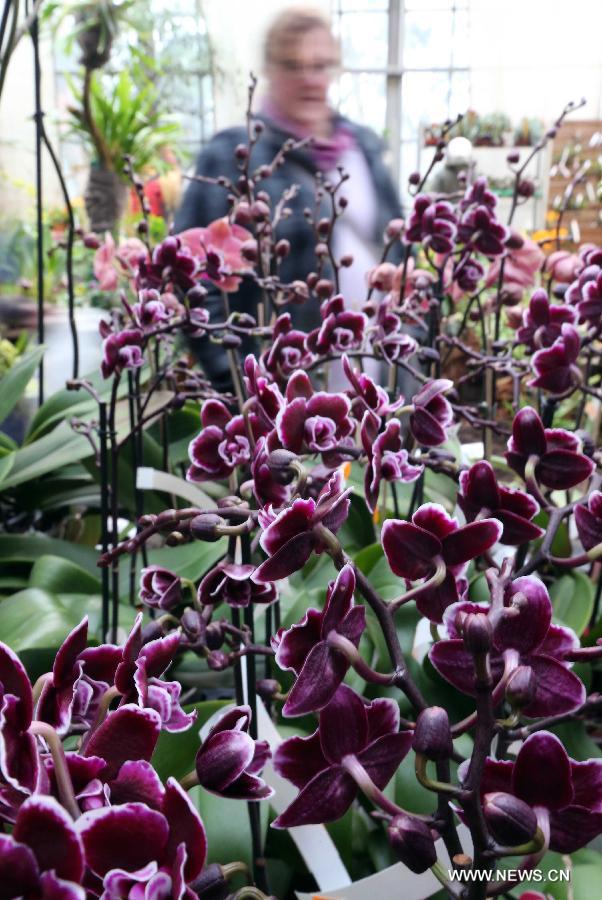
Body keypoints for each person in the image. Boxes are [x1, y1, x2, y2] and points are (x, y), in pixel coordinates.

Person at [174, 6, 403, 390]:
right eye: (294, 65)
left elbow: (399, 251)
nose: (310, 79)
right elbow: (190, 278)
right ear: (270, 70)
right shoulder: (234, 157)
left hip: (372, 385)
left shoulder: (363, 149)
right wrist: (235, 379)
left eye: (321, 65)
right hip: (284, 400)